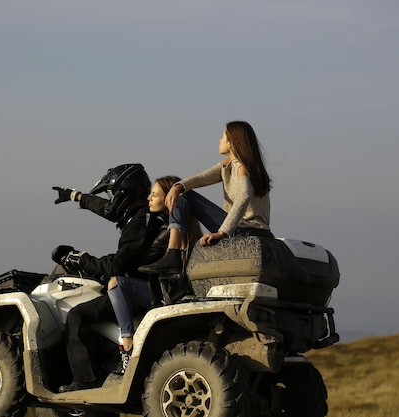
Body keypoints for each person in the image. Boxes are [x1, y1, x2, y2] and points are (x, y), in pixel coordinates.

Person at [51, 163, 168, 392]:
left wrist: (80, 259)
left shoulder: (139, 222)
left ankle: (86, 381)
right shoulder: (140, 215)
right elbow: (108, 209)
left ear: (125, 193)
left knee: (76, 316)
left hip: (138, 289)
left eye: (113, 193)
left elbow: (118, 265)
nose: (111, 199)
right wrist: (76, 196)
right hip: (141, 282)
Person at [139, 120, 273, 275]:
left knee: (186, 197)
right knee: (184, 192)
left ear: (231, 143)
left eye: (222, 137)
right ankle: (173, 255)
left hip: (243, 230)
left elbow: (245, 196)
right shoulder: (231, 165)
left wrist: (223, 232)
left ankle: (173, 254)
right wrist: (177, 186)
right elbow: (201, 178)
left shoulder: (241, 167)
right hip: (253, 230)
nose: (219, 140)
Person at [106, 176, 202, 375]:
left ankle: (127, 345)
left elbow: (146, 262)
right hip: (168, 294)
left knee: (116, 284)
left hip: (169, 297)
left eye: (155, 194)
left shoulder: (170, 232)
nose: (149, 198)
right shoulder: (183, 229)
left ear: (168, 199)